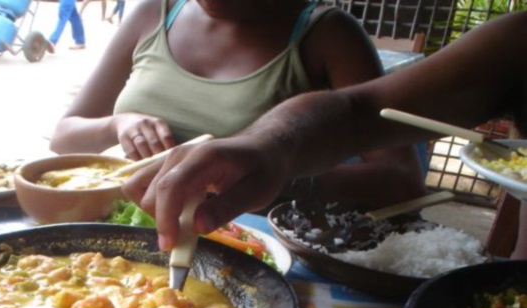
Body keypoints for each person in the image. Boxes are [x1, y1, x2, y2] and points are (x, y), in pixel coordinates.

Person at [121, 11, 527, 257]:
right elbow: (357, 109)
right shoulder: (518, 42)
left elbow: (400, 180)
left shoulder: (326, 29)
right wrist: (264, 147)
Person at [50, 0, 425, 207]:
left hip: (255, 243)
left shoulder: (326, 33)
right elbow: (64, 138)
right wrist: (117, 124)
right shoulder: (155, 13)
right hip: (132, 219)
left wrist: (269, 176)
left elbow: (400, 179)